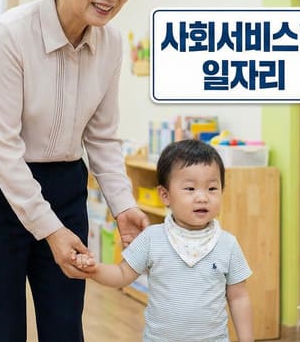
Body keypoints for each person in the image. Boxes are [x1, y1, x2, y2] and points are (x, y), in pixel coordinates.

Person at [0, 0, 150, 342]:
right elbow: (4, 147)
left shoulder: (111, 42)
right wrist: (49, 231)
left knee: (64, 325)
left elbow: (101, 136)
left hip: (63, 184)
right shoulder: (11, 34)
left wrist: (123, 205)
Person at [75, 140, 253, 342]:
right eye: (190, 189)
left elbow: (239, 297)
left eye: (212, 188)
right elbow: (122, 273)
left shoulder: (227, 244)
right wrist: (94, 270)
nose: (202, 197)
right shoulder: (152, 238)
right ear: (165, 195)